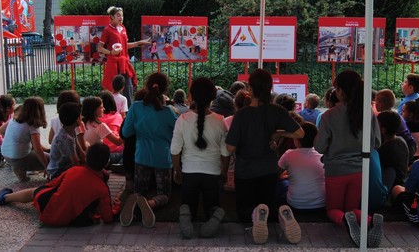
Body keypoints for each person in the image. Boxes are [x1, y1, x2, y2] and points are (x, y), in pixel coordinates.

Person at [226, 69, 304, 244]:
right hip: (268, 169)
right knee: (267, 204)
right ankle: (282, 214)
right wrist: (278, 133)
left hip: (245, 171)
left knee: (244, 210)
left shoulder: (241, 115)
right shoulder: (277, 110)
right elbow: (300, 133)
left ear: (250, 89)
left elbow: (230, 147)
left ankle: (255, 215)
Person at [314, 69, 383, 248]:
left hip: (336, 171)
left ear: (341, 91)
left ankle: (344, 221)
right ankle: (368, 220)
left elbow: (319, 147)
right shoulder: (368, 113)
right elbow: (376, 142)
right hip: (360, 170)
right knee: (352, 208)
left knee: (333, 210)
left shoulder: (329, 116)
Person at [0, 143, 120, 226]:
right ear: (105, 164)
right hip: (73, 221)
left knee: (36, 191)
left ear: (86, 157)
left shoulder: (74, 169)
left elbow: (52, 184)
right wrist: (116, 207)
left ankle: (4, 198)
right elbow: (108, 218)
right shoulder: (102, 187)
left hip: (47, 209)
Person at [170, 77, 230, 239]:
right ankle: (215, 212)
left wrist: (177, 169)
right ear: (213, 97)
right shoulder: (220, 121)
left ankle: (186, 211)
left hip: (189, 172)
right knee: (212, 204)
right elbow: (225, 152)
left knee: (189, 203)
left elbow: (175, 150)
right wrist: (223, 171)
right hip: (213, 172)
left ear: (191, 96)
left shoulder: (182, 120)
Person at [120, 72, 178, 228]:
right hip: (163, 159)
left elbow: (125, 133)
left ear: (146, 86)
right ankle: (151, 204)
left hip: (141, 157)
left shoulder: (136, 107)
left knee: (141, 189)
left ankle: (137, 197)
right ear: (165, 91)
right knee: (164, 194)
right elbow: (179, 133)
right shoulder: (168, 113)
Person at [98, 6, 150, 107]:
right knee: (115, 90)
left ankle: (129, 111)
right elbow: (100, 48)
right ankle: (115, 111)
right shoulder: (107, 30)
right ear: (112, 16)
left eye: (122, 15)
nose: (121, 17)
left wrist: (139, 42)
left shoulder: (123, 28)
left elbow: (125, 46)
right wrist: (111, 52)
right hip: (113, 63)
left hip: (124, 63)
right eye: (118, 15)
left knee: (128, 87)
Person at [277, 121, 326, 211]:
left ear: (296, 138)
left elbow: (276, 174)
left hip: (295, 205)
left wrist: (285, 176)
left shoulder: (289, 154)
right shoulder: (321, 154)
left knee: (281, 183)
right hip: (321, 204)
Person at [1, 97, 50, 182]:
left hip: (5, 154)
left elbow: (0, 131)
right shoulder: (32, 125)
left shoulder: (15, 118)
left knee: (36, 152)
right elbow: (38, 150)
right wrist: (47, 167)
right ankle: (21, 167)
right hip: (18, 157)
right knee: (52, 160)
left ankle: (19, 167)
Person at [374, 89, 416, 160]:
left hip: (403, 148)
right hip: (410, 145)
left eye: (376, 101)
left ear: (380, 105)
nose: (374, 103)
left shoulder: (383, 118)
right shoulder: (395, 115)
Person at [82, 96, 123, 164]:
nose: (104, 109)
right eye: (101, 107)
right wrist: (126, 128)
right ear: (94, 110)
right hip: (96, 161)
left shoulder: (81, 123)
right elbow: (118, 142)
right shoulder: (99, 126)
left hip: (84, 158)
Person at [46, 103, 82, 179]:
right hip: (57, 173)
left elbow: (81, 152)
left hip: (65, 167)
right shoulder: (65, 138)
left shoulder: (71, 131)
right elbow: (75, 163)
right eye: (80, 116)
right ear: (77, 119)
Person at [376, 110, 409, 190]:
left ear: (383, 130)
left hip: (390, 189)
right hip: (401, 182)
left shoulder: (385, 150)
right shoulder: (401, 140)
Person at [98, 90, 125, 165]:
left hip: (97, 154)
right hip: (114, 152)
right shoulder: (117, 116)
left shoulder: (94, 119)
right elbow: (120, 139)